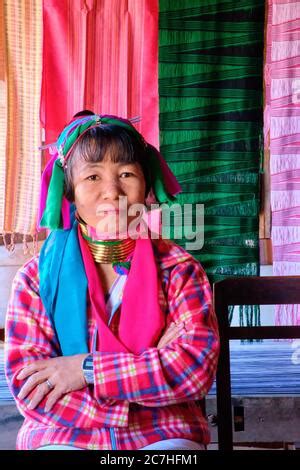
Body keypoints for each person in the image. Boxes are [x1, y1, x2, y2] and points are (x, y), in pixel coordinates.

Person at [4, 111, 219, 451]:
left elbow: (193, 371)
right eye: (92, 177)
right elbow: (30, 389)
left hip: (163, 435)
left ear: (147, 187)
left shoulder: (180, 270)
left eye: (126, 173)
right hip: (65, 436)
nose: (112, 191)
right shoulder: (34, 279)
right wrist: (148, 372)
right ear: (69, 191)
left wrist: (84, 370)